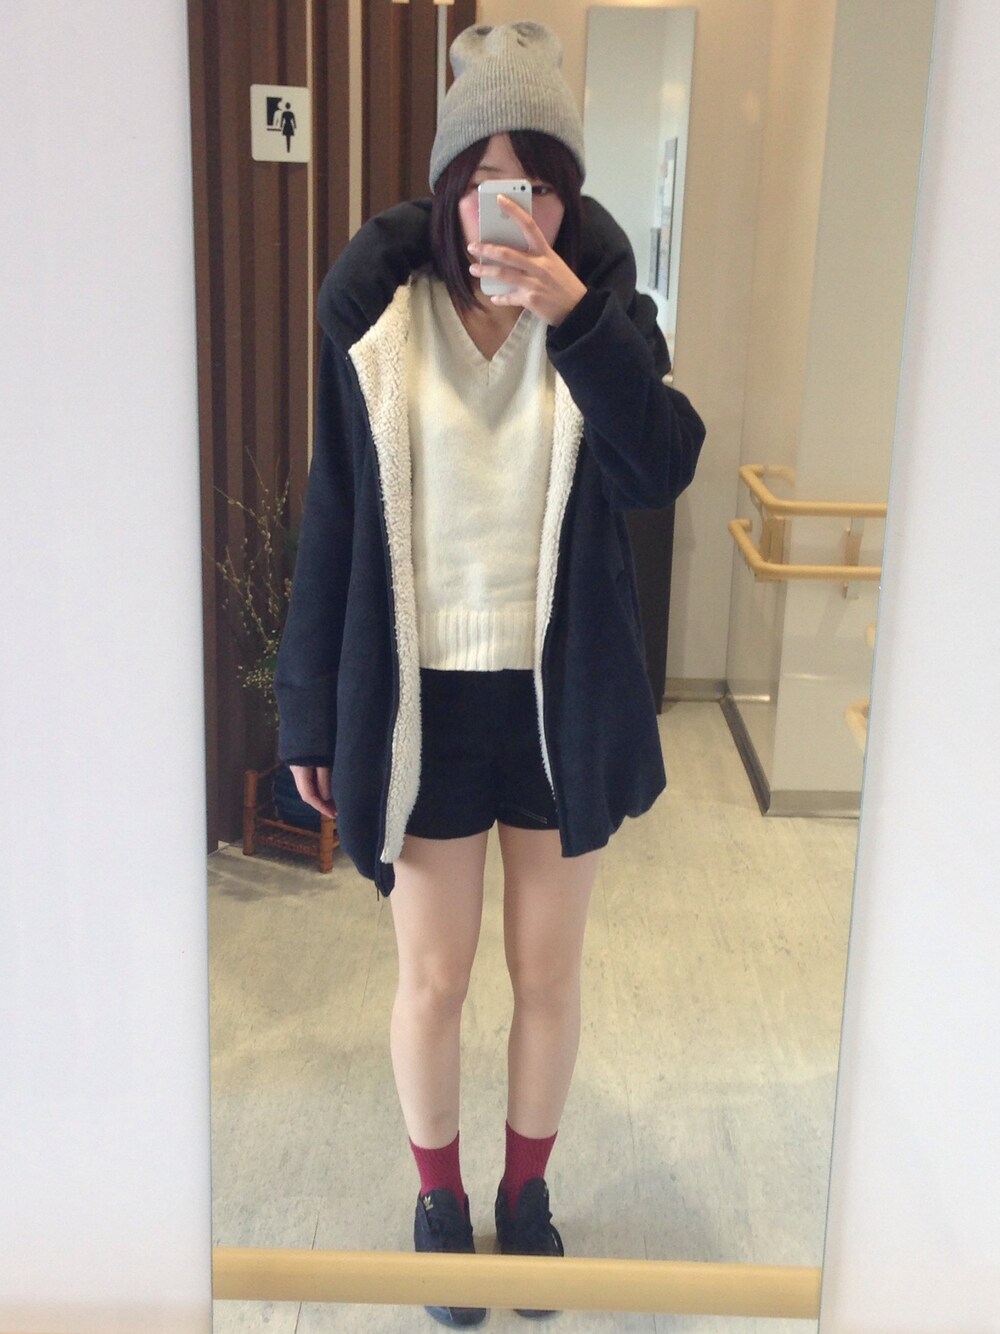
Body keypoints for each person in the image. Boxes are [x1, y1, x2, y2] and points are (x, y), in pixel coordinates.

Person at [275, 20, 706, 1328]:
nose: (512, 210)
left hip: (555, 696)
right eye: (485, 180)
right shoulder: (384, 322)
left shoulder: (601, 316)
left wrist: (577, 318)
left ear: (567, 195)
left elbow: (662, 465)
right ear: (448, 185)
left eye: (541, 184)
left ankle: (526, 1195)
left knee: (548, 972)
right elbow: (334, 517)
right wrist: (308, 707)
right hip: (425, 701)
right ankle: (436, 1200)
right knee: (435, 977)